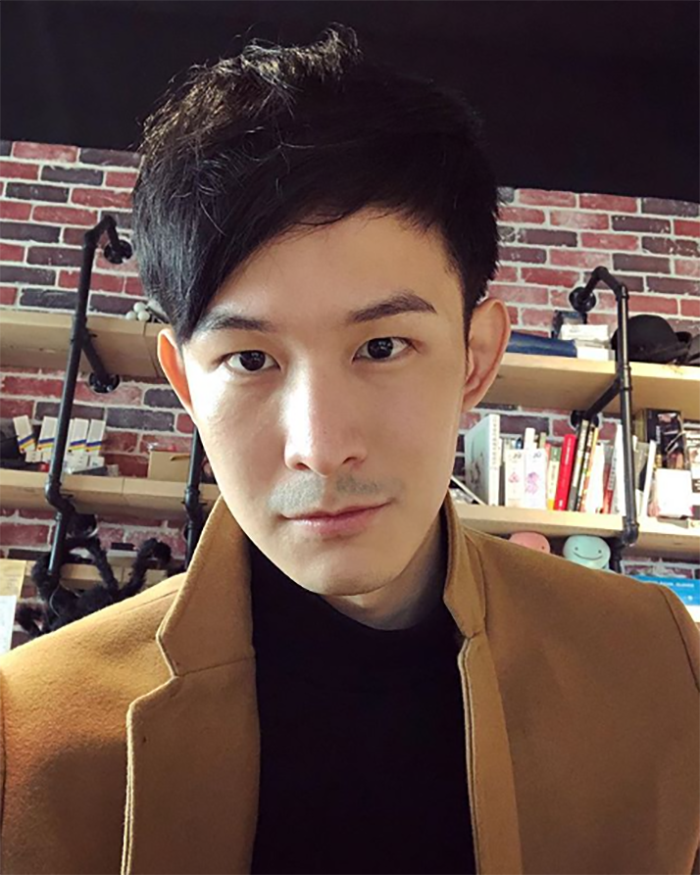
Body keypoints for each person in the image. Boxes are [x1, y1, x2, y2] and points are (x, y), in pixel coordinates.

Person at [0, 22, 698, 875]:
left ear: (475, 358)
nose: (321, 447)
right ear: (185, 384)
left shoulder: (657, 666)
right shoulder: (29, 737)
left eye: (382, 346)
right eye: (249, 359)